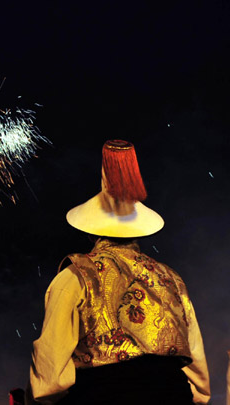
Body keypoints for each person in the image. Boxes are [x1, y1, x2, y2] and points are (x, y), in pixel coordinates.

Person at [27, 140, 210, 404]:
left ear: (90, 230)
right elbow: (199, 378)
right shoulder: (172, 279)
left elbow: (49, 380)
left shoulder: (75, 277)